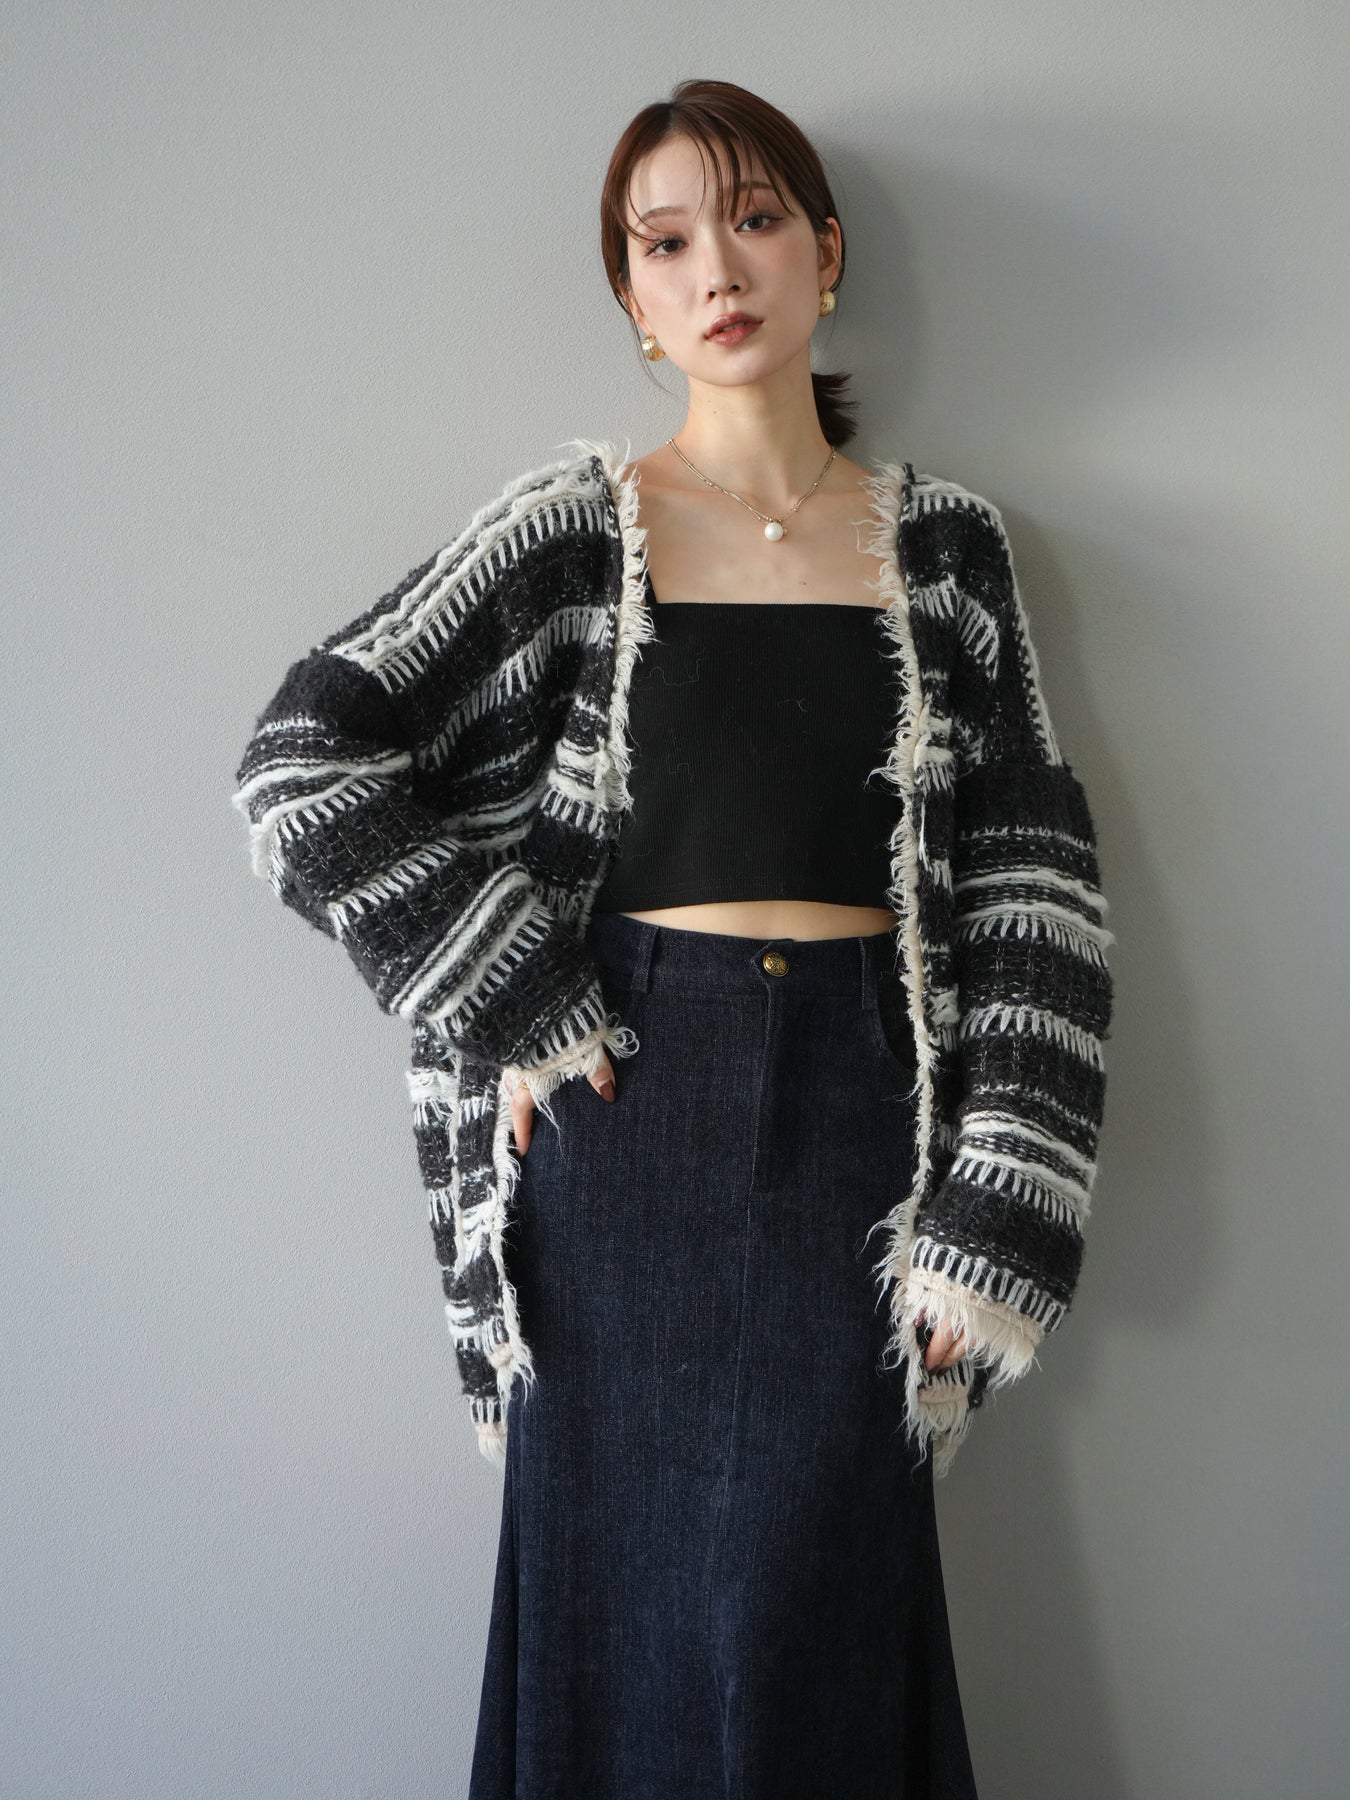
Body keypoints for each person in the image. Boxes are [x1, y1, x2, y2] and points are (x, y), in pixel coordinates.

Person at [232, 78, 1113, 1800]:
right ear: (633, 301)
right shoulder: (571, 535)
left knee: (816, 1605)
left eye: (757, 218)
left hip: (864, 1123)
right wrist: (508, 984)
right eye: (665, 242)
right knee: (612, 1610)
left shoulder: (946, 549)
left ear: (825, 255)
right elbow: (300, 761)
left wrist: (999, 1195)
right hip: (618, 1117)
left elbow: (1029, 882)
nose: (718, 267)